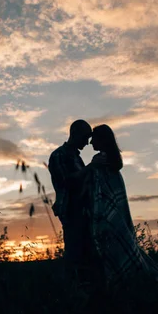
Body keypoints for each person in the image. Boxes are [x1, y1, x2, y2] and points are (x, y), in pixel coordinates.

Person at [83, 124, 158, 291]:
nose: (90, 143)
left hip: (108, 219)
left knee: (113, 260)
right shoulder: (113, 163)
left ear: (101, 140)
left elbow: (97, 195)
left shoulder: (99, 163)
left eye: (94, 139)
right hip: (117, 218)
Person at [48, 119, 94, 286]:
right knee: (75, 253)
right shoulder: (59, 155)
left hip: (83, 211)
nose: (88, 142)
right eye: (86, 137)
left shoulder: (75, 157)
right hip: (72, 211)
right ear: (75, 134)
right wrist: (90, 168)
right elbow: (65, 182)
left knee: (86, 253)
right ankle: (72, 290)